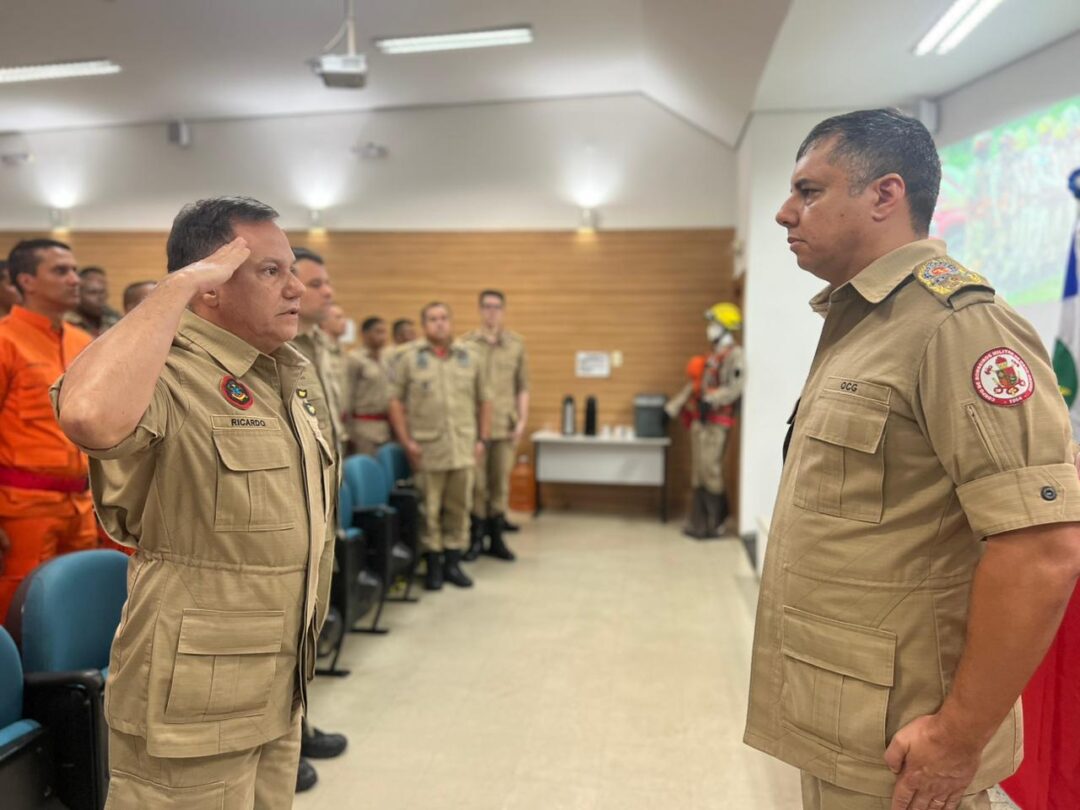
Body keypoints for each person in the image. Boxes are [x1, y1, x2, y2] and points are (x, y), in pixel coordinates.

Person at [743, 109, 1080, 810]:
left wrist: (957, 739)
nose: (784, 213)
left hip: (902, 738)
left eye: (809, 191)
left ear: (885, 195)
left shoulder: (955, 325)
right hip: (844, 713)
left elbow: (1042, 549)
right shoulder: (865, 321)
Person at [51, 197, 337, 809]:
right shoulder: (168, 369)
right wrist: (174, 289)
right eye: (269, 272)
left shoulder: (289, 372)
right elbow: (89, 418)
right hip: (194, 702)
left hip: (280, 683)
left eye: (292, 270)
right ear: (209, 287)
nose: (295, 287)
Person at [0, 239, 97, 621]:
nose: (74, 279)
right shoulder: (5, 340)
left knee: (78, 606)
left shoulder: (83, 342)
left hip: (82, 505)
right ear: (26, 280)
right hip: (23, 507)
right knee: (22, 613)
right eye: (60, 271)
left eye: (74, 269)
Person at [287, 247, 349, 789]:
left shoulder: (317, 344)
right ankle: (283, 742)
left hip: (322, 506)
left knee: (308, 627)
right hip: (294, 512)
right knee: (287, 630)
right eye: (317, 282)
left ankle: (300, 725)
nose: (327, 292)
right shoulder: (278, 346)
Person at [388, 302, 492, 590]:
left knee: (459, 507)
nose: (439, 323)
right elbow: (394, 401)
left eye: (444, 318)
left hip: (463, 446)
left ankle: (453, 563)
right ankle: (433, 565)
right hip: (427, 447)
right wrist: (406, 441)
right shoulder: (408, 358)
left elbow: (485, 400)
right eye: (433, 319)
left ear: (451, 321)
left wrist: (482, 439)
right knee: (428, 509)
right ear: (424, 325)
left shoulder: (470, 357)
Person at [666, 302, 744, 540]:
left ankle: (717, 521)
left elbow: (735, 387)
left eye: (714, 324)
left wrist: (713, 398)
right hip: (701, 421)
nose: (709, 329)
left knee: (711, 470)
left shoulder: (735, 356)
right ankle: (699, 523)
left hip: (717, 421)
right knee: (698, 472)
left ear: (725, 327)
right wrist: (674, 406)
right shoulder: (712, 356)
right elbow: (696, 384)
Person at [462, 290, 529, 561]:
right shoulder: (466, 345)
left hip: (505, 424)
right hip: (475, 428)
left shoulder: (516, 345)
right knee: (477, 485)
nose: (492, 312)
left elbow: (523, 386)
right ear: (480, 310)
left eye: (497, 307)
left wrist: (522, 419)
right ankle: (476, 537)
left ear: (503, 311)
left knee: (500, 483)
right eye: (487, 307)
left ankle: (497, 538)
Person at [345, 317, 392, 456]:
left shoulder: (386, 359)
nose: (383, 336)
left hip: (385, 427)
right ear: (364, 334)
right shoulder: (354, 359)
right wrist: (349, 431)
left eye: (384, 332)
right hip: (363, 428)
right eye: (378, 332)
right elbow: (347, 395)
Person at [65, 266, 120, 337]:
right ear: (77, 294)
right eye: (93, 292)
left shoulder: (114, 319)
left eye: (102, 292)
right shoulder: (66, 322)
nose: (100, 298)